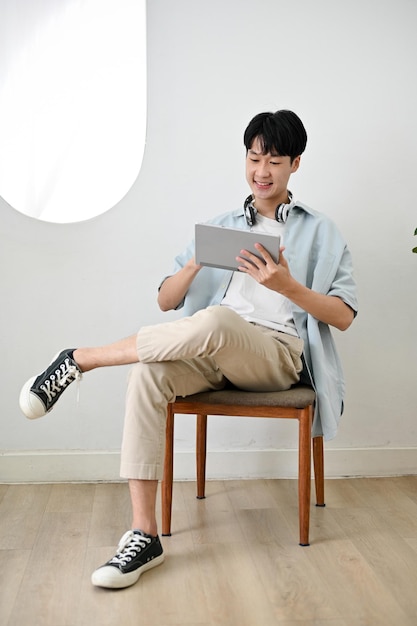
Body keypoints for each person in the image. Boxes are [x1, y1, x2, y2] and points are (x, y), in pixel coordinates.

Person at [19, 110, 357, 589]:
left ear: (295, 164)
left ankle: (82, 359)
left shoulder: (320, 231)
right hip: (210, 348)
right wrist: (198, 262)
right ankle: (144, 534)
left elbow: (343, 316)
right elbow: (165, 300)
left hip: (277, 356)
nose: (261, 171)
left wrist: (287, 286)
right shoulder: (220, 226)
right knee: (149, 374)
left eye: (274, 161)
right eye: (254, 158)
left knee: (217, 321)